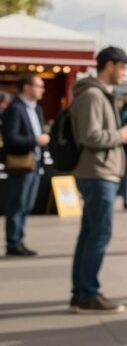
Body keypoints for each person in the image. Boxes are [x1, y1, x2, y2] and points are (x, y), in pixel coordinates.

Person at [70, 46, 127, 314]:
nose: (124, 72)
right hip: (98, 173)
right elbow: (90, 136)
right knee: (99, 234)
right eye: (122, 67)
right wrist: (120, 136)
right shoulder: (92, 95)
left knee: (89, 234)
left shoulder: (97, 94)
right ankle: (88, 293)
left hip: (99, 172)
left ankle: (81, 292)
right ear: (109, 65)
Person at [2, 74, 48, 257]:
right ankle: (13, 243)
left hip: (34, 164)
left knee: (27, 205)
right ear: (27, 87)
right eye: (39, 86)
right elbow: (11, 138)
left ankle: (19, 240)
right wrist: (35, 140)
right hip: (21, 164)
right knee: (17, 205)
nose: (42, 90)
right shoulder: (15, 109)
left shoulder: (36, 109)